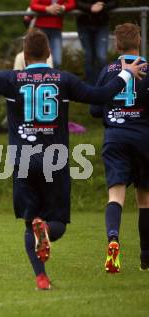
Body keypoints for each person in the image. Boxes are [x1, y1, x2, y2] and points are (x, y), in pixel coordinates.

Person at [0, 19, 145, 289]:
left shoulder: (12, 80)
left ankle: (41, 276)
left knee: (30, 222)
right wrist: (126, 73)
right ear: (49, 54)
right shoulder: (64, 80)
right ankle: (45, 231)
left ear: (24, 56)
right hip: (54, 158)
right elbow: (100, 95)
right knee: (56, 222)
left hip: (23, 159)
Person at [90, 23, 149, 273]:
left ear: (117, 44)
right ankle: (146, 256)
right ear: (139, 42)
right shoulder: (148, 69)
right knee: (145, 199)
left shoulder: (107, 71)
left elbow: (94, 108)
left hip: (114, 137)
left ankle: (113, 238)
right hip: (144, 138)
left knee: (116, 195)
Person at [77, 1, 117, 84]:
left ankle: (103, 84)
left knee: (101, 56)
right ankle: (90, 87)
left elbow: (115, 2)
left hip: (102, 24)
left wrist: (102, 6)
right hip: (83, 24)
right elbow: (76, 3)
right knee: (88, 56)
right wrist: (90, 7)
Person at [30, 0, 76, 69]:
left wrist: (62, 7)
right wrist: (46, 8)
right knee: (38, 60)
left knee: (57, 61)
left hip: (56, 29)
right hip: (40, 29)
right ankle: (40, 78)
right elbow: (33, 5)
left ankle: (53, 79)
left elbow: (72, 4)